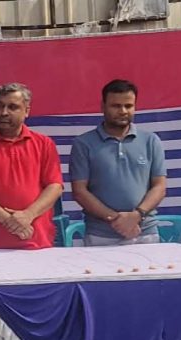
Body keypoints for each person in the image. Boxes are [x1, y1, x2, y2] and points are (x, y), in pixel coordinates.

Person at [69, 79, 167, 246]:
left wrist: (136, 215)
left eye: (128, 106)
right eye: (116, 106)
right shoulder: (83, 144)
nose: (123, 111)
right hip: (101, 236)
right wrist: (117, 220)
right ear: (102, 106)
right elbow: (79, 191)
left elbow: (159, 187)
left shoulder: (151, 141)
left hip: (146, 233)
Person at [0, 83, 63, 250]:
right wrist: (11, 221)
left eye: (12, 107)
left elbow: (54, 187)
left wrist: (28, 215)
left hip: (38, 243)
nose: (4, 112)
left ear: (27, 111)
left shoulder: (44, 144)